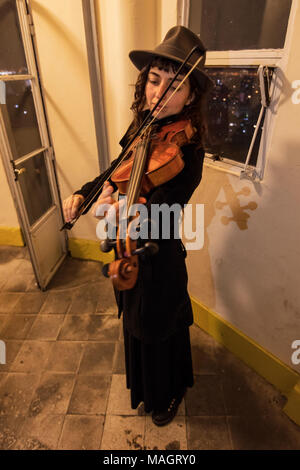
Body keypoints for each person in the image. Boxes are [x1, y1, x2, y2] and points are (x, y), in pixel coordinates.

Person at [63, 26, 213, 426]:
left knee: (160, 328)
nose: (159, 93)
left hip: (159, 255)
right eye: (154, 79)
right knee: (137, 323)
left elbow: (167, 209)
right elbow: (119, 173)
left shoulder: (190, 148)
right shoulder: (141, 126)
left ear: (192, 95)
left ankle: (168, 394)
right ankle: (147, 390)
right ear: (144, 82)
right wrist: (85, 193)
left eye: (175, 85)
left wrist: (128, 211)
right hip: (131, 246)